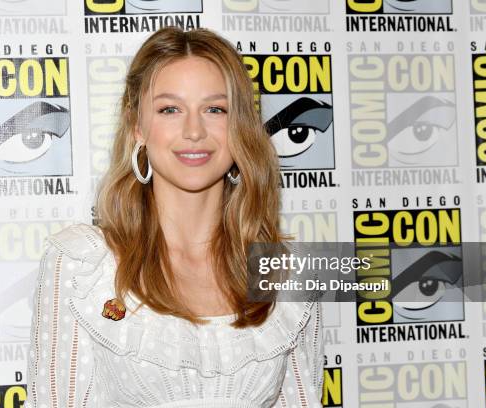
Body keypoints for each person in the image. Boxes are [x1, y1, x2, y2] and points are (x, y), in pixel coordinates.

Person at [25, 26, 323, 407]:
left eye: (215, 109)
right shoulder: (82, 263)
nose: (194, 131)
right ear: (137, 126)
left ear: (241, 126)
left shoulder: (289, 272)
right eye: (170, 109)